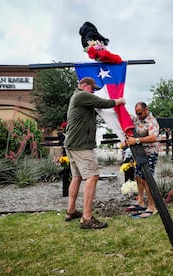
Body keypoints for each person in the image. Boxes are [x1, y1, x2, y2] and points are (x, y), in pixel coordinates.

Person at [64, 77, 126, 229]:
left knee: (77, 176)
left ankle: (71, 211)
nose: (93, 92)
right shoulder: (81, 95)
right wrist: (119, 101)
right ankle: (87, 218)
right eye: (92, 89)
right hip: (81, 146)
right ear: (85, 86)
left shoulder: (78, 97)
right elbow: (103, 103)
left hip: (72, 144)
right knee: (93, 176)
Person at [124, 102, 159, 218]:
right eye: (137, 114)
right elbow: (126, 117)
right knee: (138, 177)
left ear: (146, 109)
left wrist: (137, 140)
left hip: (150, 153)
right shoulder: (137, 118)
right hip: (139, 153)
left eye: (140, 113)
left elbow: (153, 137)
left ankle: (152, 206)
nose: (138, 116)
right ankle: (140, 201)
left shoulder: (151, 121)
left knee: (146, 179)